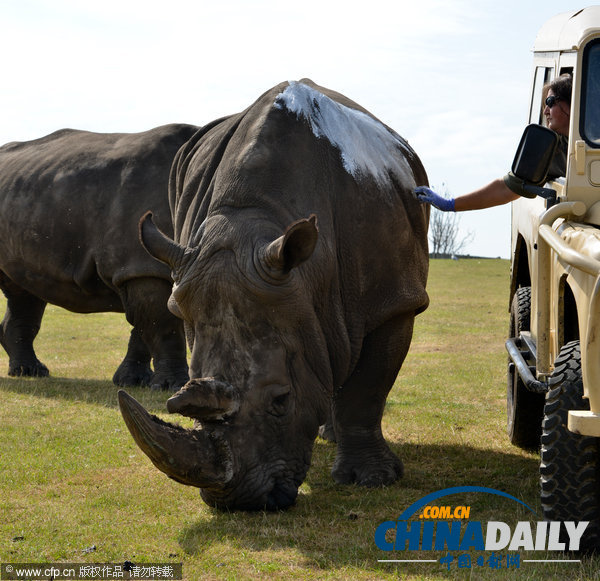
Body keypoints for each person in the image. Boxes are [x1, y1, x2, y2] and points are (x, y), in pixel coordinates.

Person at [415, 74, 572, 211]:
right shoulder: (550, 148)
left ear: (572, 103)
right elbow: (506, 189)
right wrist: (449, 204)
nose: (545, 111)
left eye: (550, 102)